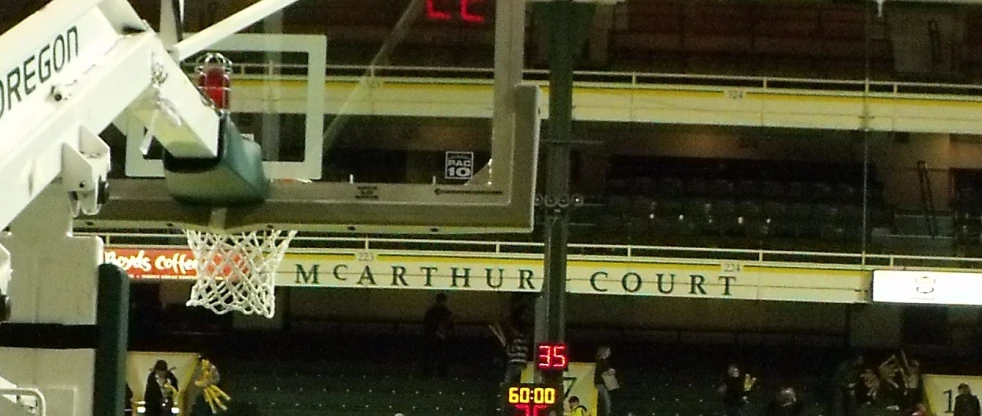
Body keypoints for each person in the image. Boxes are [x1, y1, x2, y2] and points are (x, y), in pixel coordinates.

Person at [422, 293, 454, 378]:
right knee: (438, 356)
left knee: (434, 356)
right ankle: (438, 373)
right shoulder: (447, 313)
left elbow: (427, 325)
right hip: (437, 338)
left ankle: (432, 373)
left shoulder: (432, 312)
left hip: (435, 338)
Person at [594, 346, 616, 416]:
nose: (609, 353)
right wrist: (612, 371)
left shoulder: (599, 361)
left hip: (600, 384)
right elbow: (608, 371)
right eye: (608, 351)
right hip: (601, 384)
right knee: (605, 402)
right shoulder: (602, 361)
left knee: (604, 401)